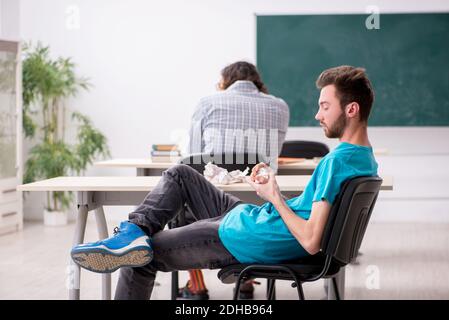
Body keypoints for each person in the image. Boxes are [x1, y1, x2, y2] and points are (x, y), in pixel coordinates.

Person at [71, 65, 378, 301]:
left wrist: (274, 197)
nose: (317, 114)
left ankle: (132, 240)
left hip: (248, 237)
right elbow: (311, 224)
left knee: (141, 255)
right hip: (256, 223)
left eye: (325, 106)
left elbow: (311, 240)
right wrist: (274, 195)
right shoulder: (364, 159)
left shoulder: (336, 162)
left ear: (351, 110)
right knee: (181, 174)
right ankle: (132, 230)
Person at [182, 61, 290, 299]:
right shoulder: (280, 106)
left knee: (181, 211)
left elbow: (191, 159)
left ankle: (197, 287)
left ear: (224, 82)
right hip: (261, 207)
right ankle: (246, 280)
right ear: (257, 82)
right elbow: (272, 157)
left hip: (208, 207)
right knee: (248, 205)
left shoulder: (207, 103)